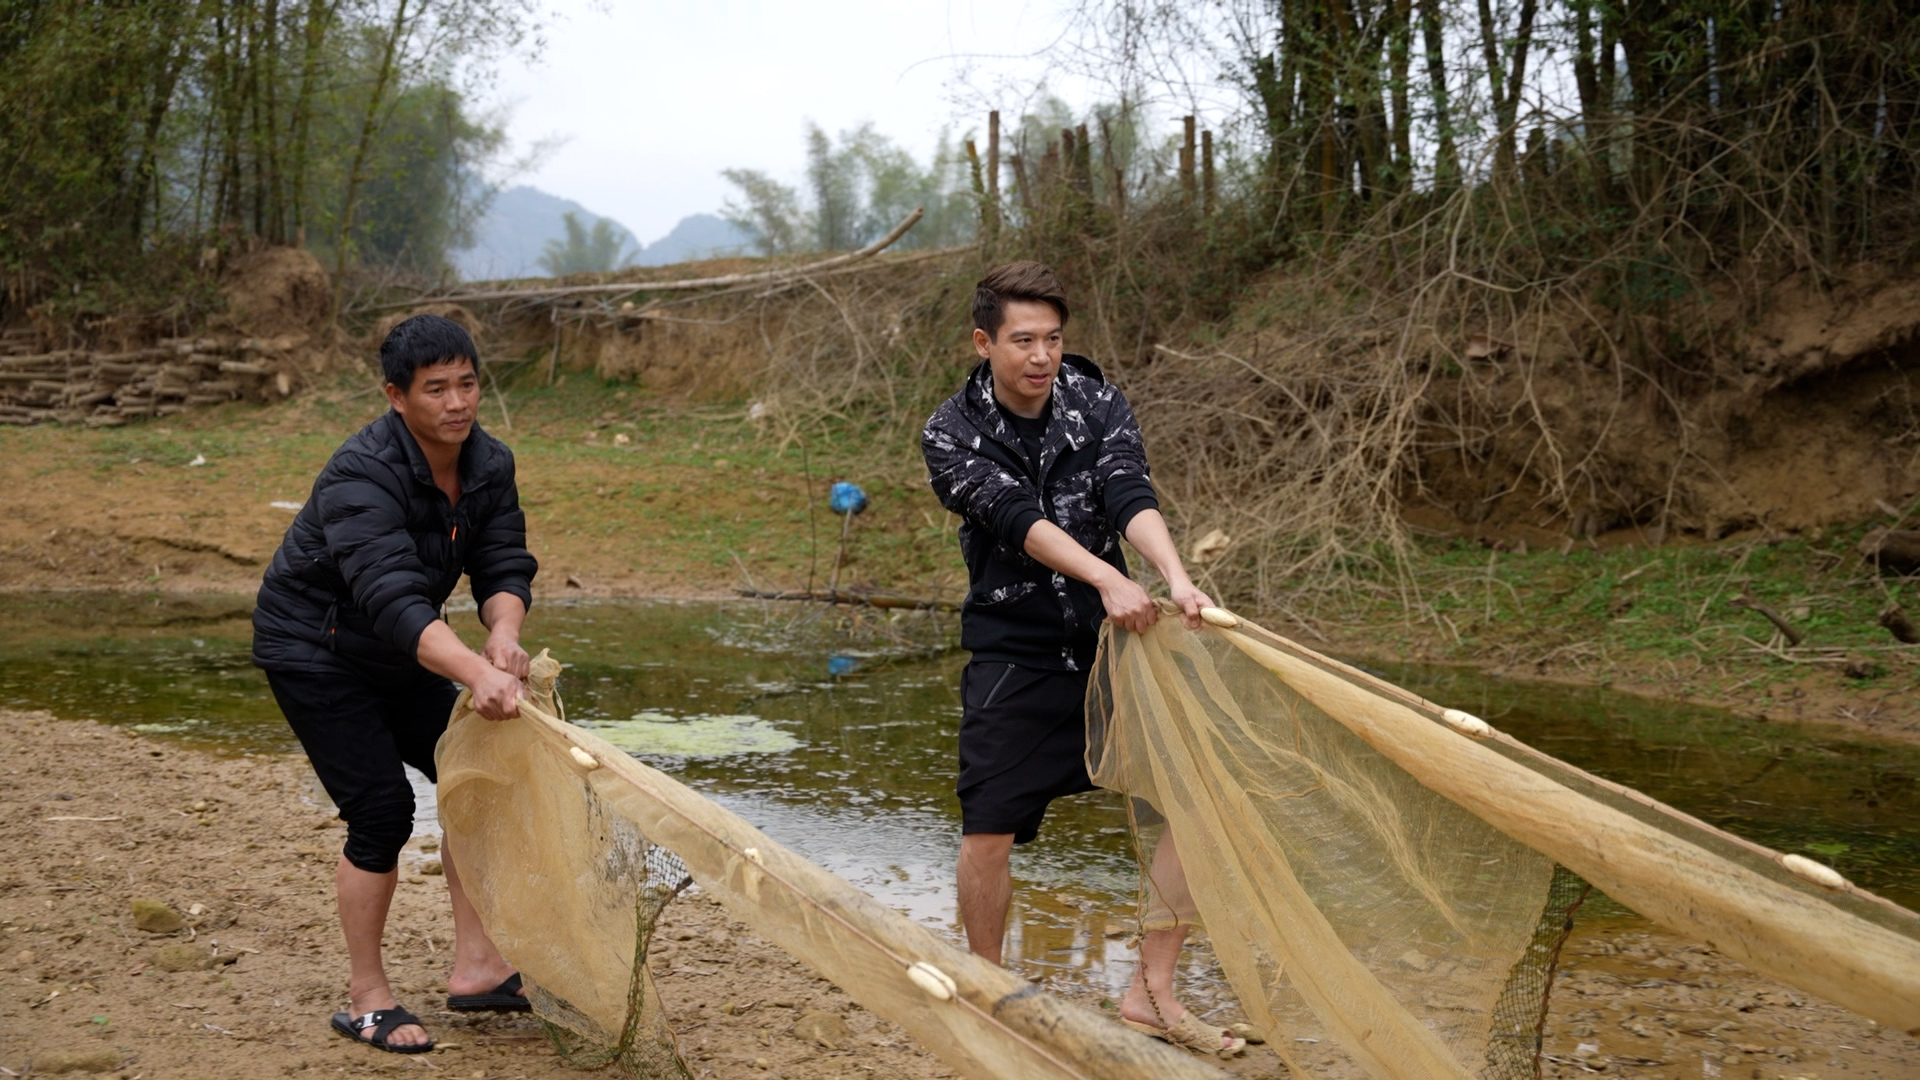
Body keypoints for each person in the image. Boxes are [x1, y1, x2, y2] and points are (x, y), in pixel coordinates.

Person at [921, 262, 1246, 1057]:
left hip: (1120, 649)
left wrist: (1175, 578)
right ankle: (987, 990)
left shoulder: (1096, 401)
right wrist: (1106, 578)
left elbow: (1127, 491)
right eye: (1023, 340)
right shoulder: (952, 432)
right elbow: (1014, 516)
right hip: (1016, 650)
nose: (1041, 355)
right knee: (988, 832)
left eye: (1053, 339)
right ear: (984, 342)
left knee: (1197, 803)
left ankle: (1151, 993)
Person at [252, 314, 538, 1054]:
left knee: (473, 783)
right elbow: (391, 597)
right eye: (435, 388)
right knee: (382, 812)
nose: (456, 402)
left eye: (467, 383)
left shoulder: (489, 463)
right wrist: (473, 672)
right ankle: (367, 997)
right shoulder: (361, 474)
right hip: (315, 649)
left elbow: (503, 562)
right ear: (396, 397)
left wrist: (503, 638)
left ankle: (479, 968)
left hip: (404, 651)